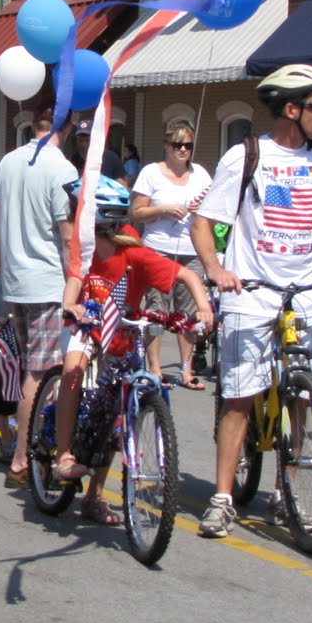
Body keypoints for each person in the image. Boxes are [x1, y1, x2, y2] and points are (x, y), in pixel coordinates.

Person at [189, 64, 312, 539]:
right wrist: (216, 270)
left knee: (304, 399)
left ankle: (284, 490)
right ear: (291, 109)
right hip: (252, 291)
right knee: (239, 398)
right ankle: (223, 497)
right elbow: (204, 223)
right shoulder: (247, 155)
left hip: (308, 293)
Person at [53, 179, 211, 522]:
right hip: (87, 328)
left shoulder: (134, 252)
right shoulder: (85, 247)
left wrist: (203, 309)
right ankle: (63, 454)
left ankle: (94, 496)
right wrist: (70, 305)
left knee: (115, 416)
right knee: (73, 371)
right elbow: (76, 278)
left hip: (122, 336)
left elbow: (187, 275)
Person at [0, 103, 80, 488]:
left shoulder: (7, 162)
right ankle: (21, 459)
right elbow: (66, 234)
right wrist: (74, 284)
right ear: (65, 126)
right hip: (46, 283)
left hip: (14, 280)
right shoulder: (62, 168)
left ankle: (29, 450)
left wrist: (2, 270)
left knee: (33, 366)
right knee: (39, 372)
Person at [130, 117, 212, 389]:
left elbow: (214, 210)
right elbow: (137, 212)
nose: (183, 150)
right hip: (158, 249)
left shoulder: (200, 174)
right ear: (166, 146)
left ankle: (186, 370)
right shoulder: (151, 173)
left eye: (187, 145)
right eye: (177, 144)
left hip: (192, 251)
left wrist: (203, 206)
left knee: (189, 313)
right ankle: (155, 369)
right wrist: (164, 209)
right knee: (156, 311)